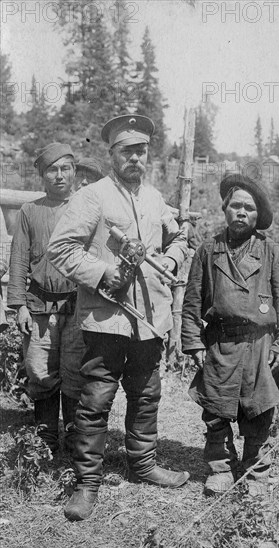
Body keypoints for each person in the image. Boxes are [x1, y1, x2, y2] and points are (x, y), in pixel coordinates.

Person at [47, 114, 190, 522]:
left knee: (146, 394)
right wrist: (101, 272)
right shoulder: (93, 196)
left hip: (148, 319)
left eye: (141, 150)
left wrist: (171, 256)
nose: (135, 157)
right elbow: (62, 248)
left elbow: (179, 235)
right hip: (107, 318)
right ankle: (87, 482)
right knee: (95, 399)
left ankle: (142, 464)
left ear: (149, 154)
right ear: (111, 153)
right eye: (126, 150)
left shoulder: (156, 198)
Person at [181, 174, 279, 496]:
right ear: (225, 209)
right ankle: (220, 465)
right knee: (216, 408)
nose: (241, 212)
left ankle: (254, 468)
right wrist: (193, 340)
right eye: (235, 205)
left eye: (248, 207)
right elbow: (193, 299)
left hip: (261, 345)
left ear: (257, 215)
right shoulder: (208, 250)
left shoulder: (273, 252)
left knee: (259, 408)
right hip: (220, 342)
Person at [7, 143, 85, 453]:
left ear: (75, 172)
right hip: (39, 306)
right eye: (52, 169)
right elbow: (18, 260)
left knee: (75, 370)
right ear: (42, 176)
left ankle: (76, 438)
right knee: (40, 371)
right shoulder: (30, 211)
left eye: (65, 168)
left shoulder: (85, 208)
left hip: (79, 305)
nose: (59, 175)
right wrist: (19, 305)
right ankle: (46, 440)